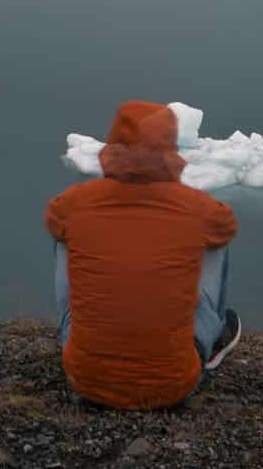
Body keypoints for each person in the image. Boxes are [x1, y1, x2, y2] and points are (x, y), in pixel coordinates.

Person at [45, 100, 242, 409]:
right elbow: (227, 226)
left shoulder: (75, 202)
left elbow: (53, 220)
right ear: (169, 145)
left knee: (64, 234)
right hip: (173, 384)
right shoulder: (196, 207)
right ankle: (211, 336)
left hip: (87, 379)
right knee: (215, 236)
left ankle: (76, 332)